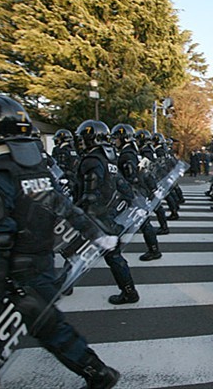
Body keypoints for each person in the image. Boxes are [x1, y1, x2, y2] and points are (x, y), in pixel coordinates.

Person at [0, 94, 119, 389]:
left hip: (16, 270)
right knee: (5, 327)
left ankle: (98, 373)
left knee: (45, 328)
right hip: (41, 260)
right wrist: (96, 235)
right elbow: (65, 208)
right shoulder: (36, 168)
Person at [75, 119, 140, 304]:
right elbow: (121, 183)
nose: (80, 142)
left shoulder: (92, 160)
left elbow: (90, 195)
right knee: (84, 250)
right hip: (106, 212)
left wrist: (78, 214)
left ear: (91, 138)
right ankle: (129, 291)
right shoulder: (108, 158)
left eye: (83, 138)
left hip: (95, 215)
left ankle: (129, 292)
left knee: (109, 253)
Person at [111, 123, 162, 261]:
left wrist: (128, 192)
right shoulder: (134, 152)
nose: (114, 141)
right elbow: (145, 171)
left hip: (134, 192)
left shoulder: (127, 155)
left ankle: (154, 250)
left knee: (143, 222)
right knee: (139, 221)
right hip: (139, 191)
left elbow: (132, 176)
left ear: (125, 139)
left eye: (116, 138)